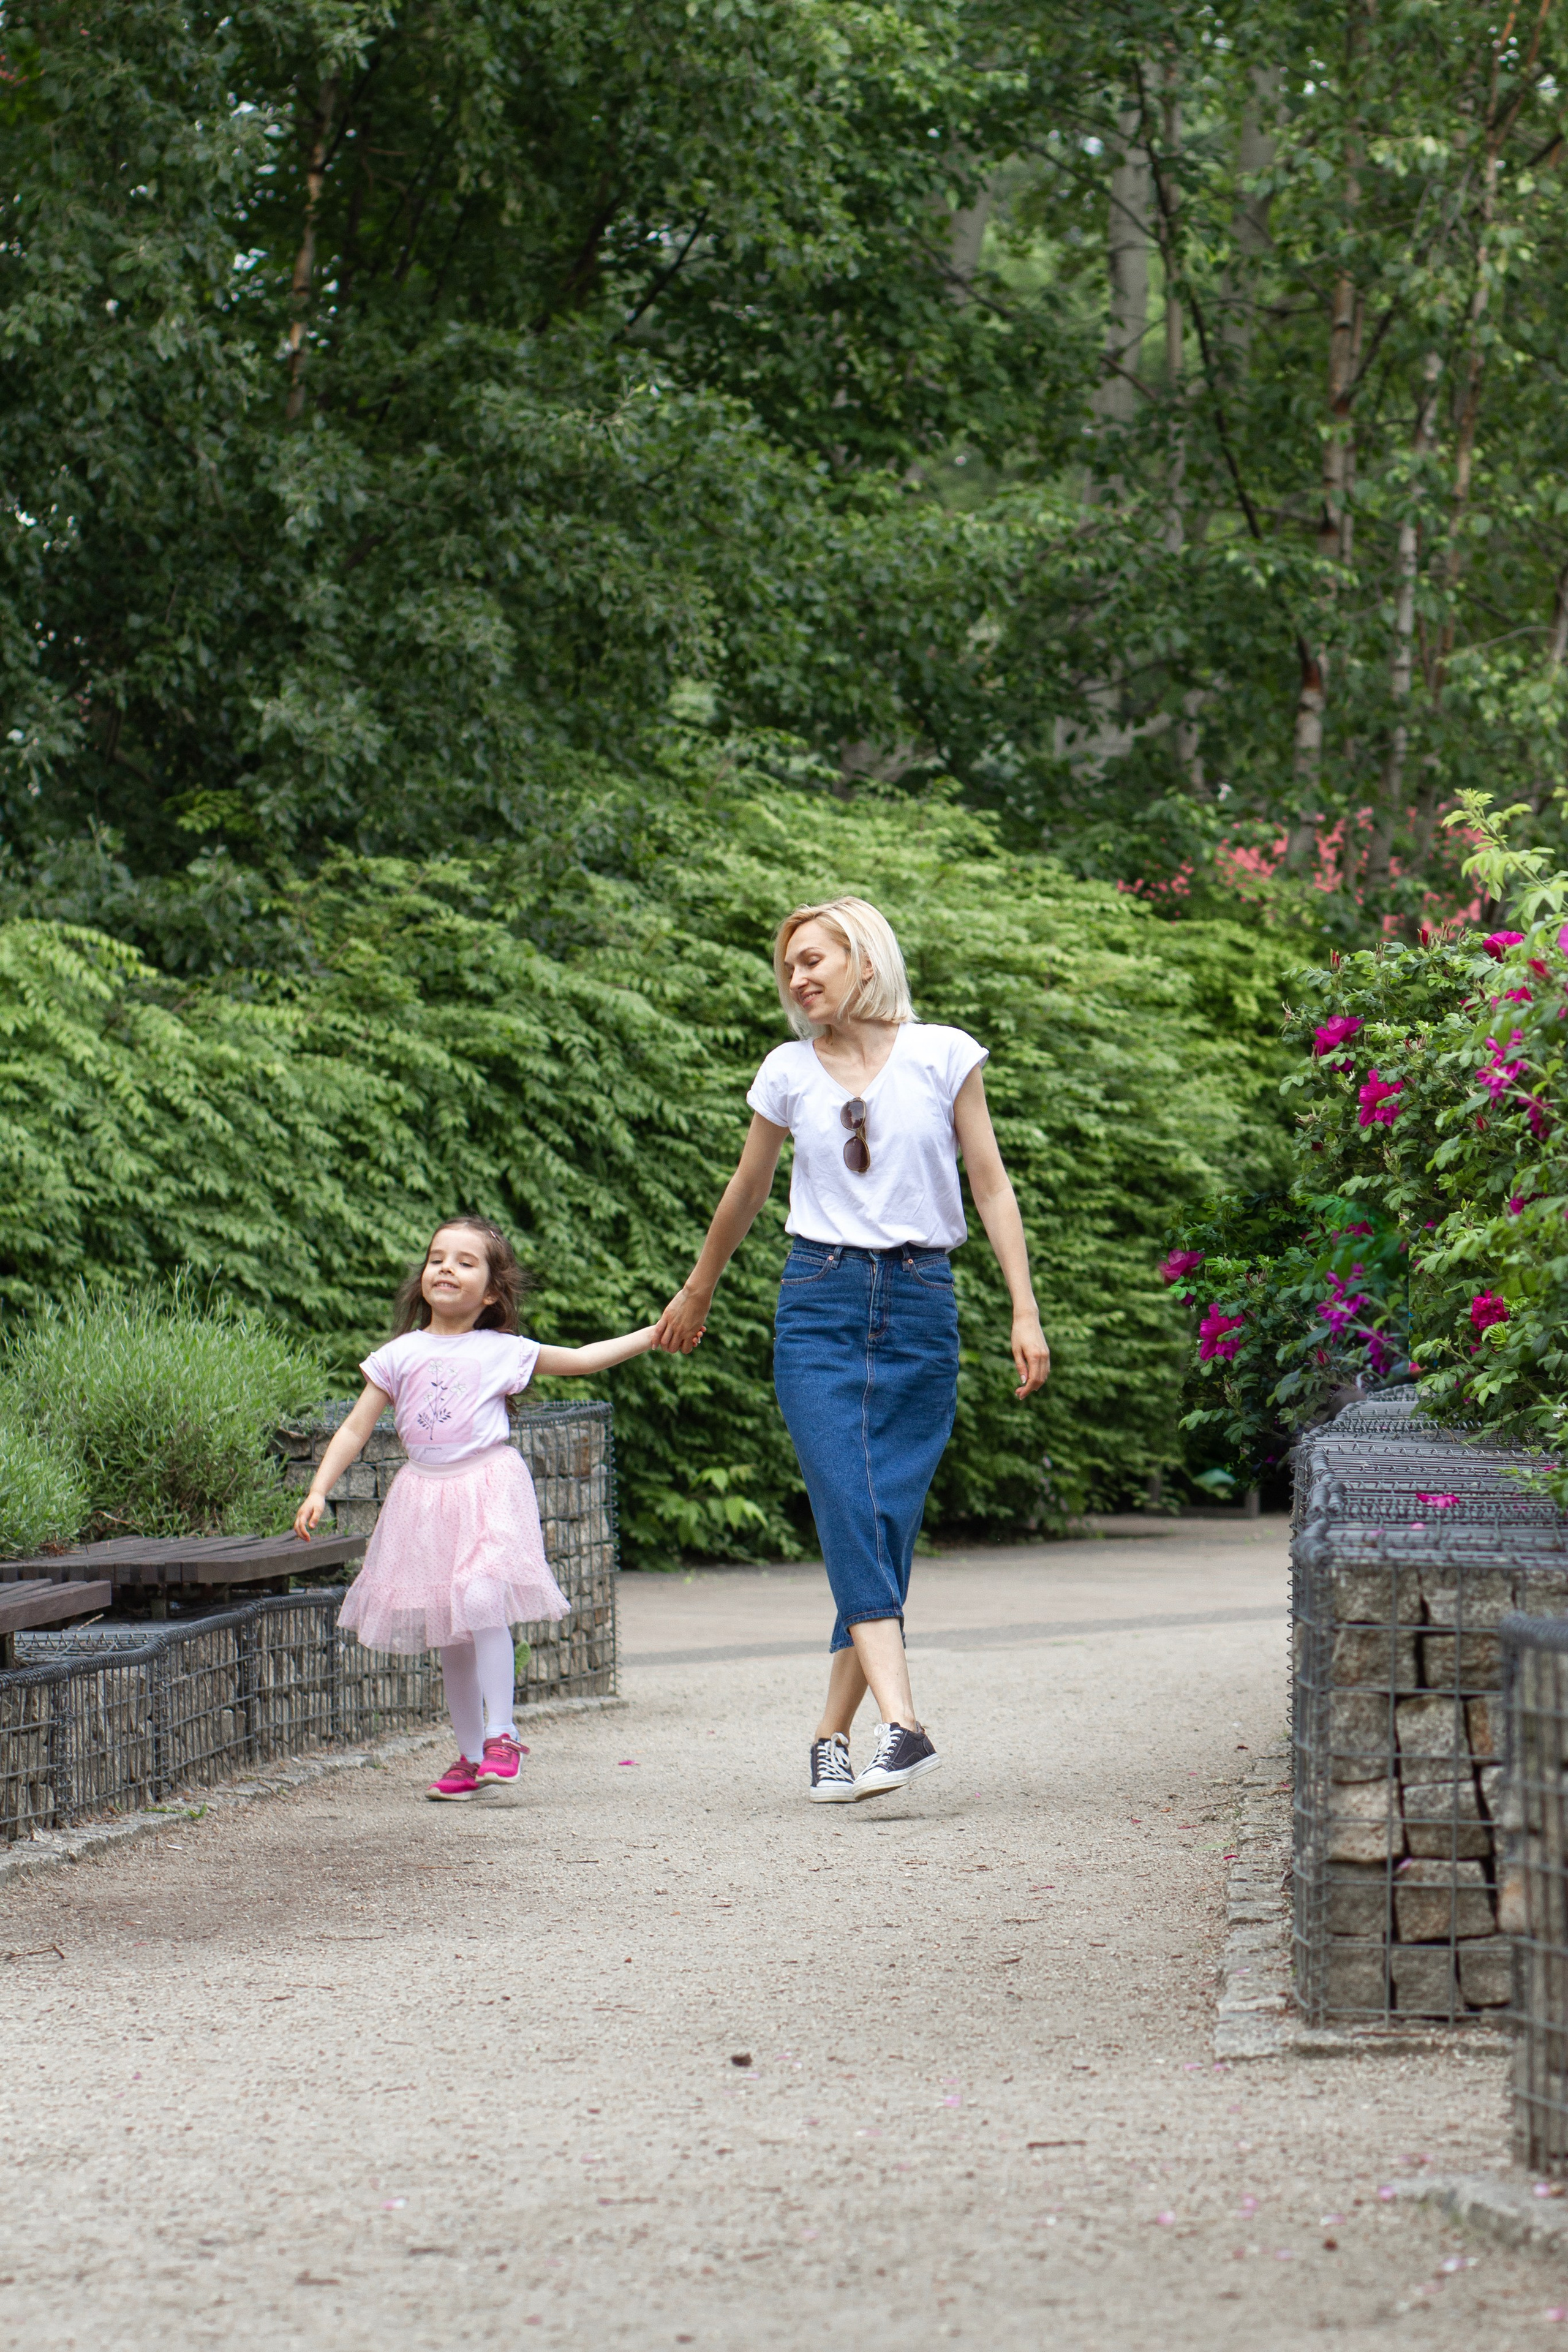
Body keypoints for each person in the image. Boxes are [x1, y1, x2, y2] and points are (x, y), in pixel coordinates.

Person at [652, 896, 1049, 1801]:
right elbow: (747, 1189)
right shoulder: (788, 1070)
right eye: (789, 966)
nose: (797, 979)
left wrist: (1023, 1310)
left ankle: (831, 1733)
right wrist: (697, 1287)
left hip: (922, 1303)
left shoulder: (946, 1054)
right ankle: (903, 1726)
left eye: (813, 960)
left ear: (863, 960)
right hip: (818, 1302)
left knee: (883, 1520)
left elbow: (990, 1185)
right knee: (845, 1497)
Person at [295, 1216, 658, 1802]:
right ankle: (468, 1757)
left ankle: (502, 1736)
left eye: (465, 1262)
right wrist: (318, 1489)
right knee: (451, 1632)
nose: (446, 1268)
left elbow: (586, 1358)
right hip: (424, 1499)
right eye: (437, 1257)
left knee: (483, 1598)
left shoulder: (501, 1351)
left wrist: (652, 1333)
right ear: (423, 1277)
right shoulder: (399, 1353)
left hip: (487, 1486)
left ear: (490, 1291)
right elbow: (356, 1427)